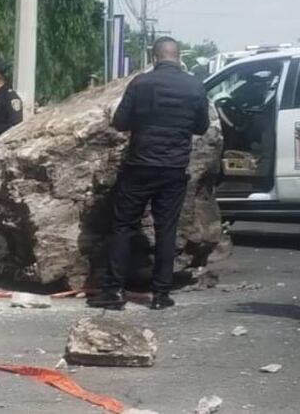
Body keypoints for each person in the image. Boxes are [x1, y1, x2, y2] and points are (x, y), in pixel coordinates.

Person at [88, 37, 210, 311]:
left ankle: (113, 291)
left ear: (154, 57)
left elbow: (120, 122)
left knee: (123, 226)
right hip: (174, 168)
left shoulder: (141, 83)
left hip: (140, 165)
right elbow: (202, 127)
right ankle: (160, 295)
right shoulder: (194, 86)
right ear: (178, 57)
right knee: (166, 229)